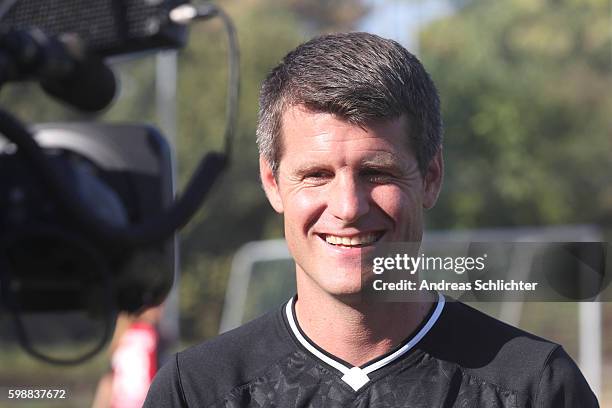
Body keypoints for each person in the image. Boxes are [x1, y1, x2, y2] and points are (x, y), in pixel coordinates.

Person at [143, 32, 599, 407]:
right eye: (316, 175)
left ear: (431, 177)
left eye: (376, 172)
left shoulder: (535, 387)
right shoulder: (196, 391)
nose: (348, 206)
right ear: (272, 182)